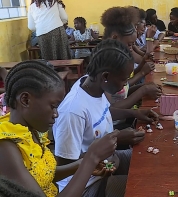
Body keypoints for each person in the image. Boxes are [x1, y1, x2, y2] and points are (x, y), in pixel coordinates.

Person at [53, 39, 159, 196]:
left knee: (152, 162)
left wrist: (135, 113)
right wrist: (116, 139)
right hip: (87, 185)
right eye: (123, 79)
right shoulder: (73, 111)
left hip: (109, 160)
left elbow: (103, 112)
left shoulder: (93, 85)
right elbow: (65, 162)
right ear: (106, 76)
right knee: (143, 186)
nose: (125, 85)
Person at [0, 60, 121, 197]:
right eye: (53, 106)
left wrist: (81, 164)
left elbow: (44, 175)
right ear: (26, 100)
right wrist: (91, 158)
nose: (56, 114)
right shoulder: (6, 148)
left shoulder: (31, 130)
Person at [100, 6, 162, 128]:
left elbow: (121, 92)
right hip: (111, 128)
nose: (131, 48)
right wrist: (142, 90)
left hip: (122, 120)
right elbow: (109, 110)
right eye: (129, 44)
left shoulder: (117, 55)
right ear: (115, 38)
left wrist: (143, 86)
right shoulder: (106, 63)